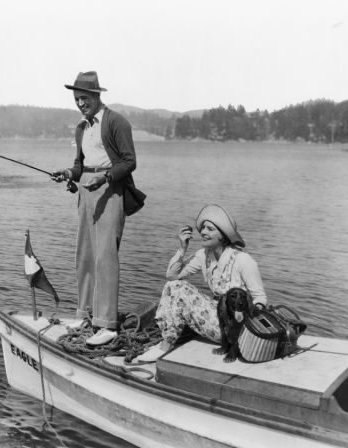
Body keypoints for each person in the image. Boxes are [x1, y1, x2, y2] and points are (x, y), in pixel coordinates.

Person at [51, 71, 138, 346]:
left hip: (110, 189)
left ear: (97, 96)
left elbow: (129, 161)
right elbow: (80, 165)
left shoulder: (116, 122)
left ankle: (107, 324)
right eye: (77, 99)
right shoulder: (81, 128)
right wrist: (68, 173)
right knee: (85, 255)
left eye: (84, 98)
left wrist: (106, 177)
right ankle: (86, 314)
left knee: (105, 256)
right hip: (86, 191)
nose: (80, 104)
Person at [138, 204, 268, 361]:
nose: (203, 232)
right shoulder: (203, 255)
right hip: (216, 315)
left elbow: (260, 298)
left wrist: (248, 326)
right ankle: (168, 340)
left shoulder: (243, 260)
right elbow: (172, 276)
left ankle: (166, 344)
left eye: (210, 229)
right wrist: (182, 248)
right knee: (173, 286)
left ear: (223, 235)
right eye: (203, 228)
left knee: (179, 290)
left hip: (236, 329)